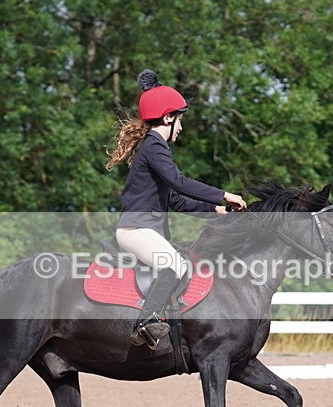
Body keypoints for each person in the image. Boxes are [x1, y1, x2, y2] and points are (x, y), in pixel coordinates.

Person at [106, 69, 247, 348]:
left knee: (180, 262)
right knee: (174, 264)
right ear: (168, 117)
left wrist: (216, 210)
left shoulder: (153, 148)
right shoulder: (154, 146)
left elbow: (176, 200)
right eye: (180, 120)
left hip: (141, 229)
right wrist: (224, 194)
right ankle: (145, 323)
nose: (181, 128)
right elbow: (180, 183)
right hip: (135, 229)